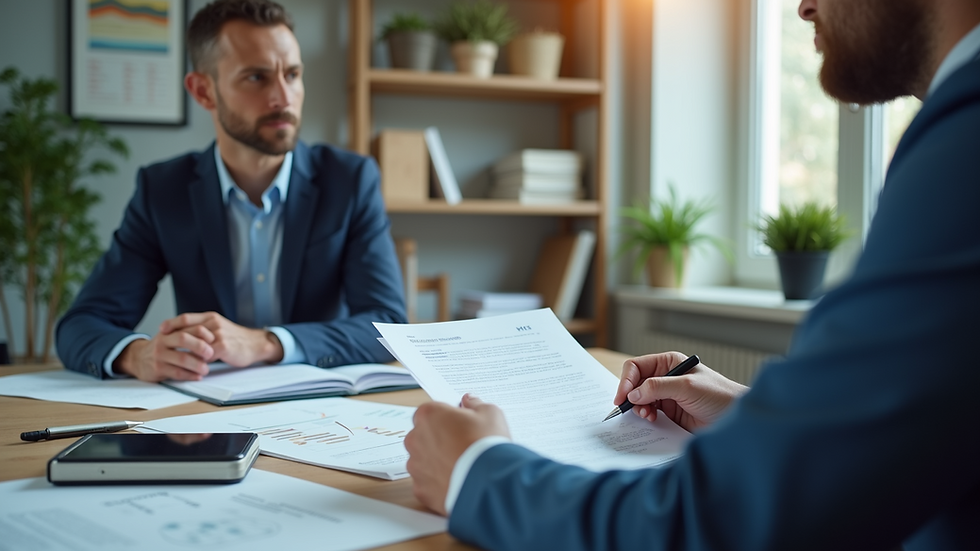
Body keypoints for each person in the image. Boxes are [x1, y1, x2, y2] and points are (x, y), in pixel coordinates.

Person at [404, 0, 980, 549]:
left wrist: (477, 473)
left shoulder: (965, 143)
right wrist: (747, 412)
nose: (803, 8)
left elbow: (727, 526)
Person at [56, 0, 406, 382]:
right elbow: (81, 325)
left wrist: (266, 342)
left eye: (292, 74)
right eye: (257, 77)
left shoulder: (350, 180)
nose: (284, 97)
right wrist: (137, 355)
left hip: (323, 409)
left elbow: (386, 327)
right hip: (208, 418)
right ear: (203, 91)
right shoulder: (163, 191)